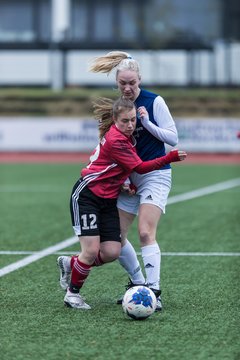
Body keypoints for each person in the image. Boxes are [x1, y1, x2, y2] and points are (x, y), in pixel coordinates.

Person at [61, 96, 186, 309]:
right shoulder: (116, 139)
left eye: (132, 121)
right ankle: (72, 294)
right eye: (124, 121)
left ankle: (71, 263)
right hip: (88, 196)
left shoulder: (126, 137)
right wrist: (169, 157)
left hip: (108, 199)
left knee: (111, 251)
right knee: (90, 251)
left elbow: (120, 168)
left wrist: (126, 182)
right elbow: (140, 167)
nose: (129, 125)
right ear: (115, 120)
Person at [88, 51, 180, 311]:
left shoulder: (154, 101)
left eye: (132, 83)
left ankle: (154, 290)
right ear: (117, 83)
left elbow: (172, 139)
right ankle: (138, 283)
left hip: (155, 174)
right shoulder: (118, 109)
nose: (127, 88)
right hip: (129, 178)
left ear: (140, 79)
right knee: (115, 236)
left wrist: (147, 123)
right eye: (122, 84)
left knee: (145, 232)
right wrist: (124, 178)